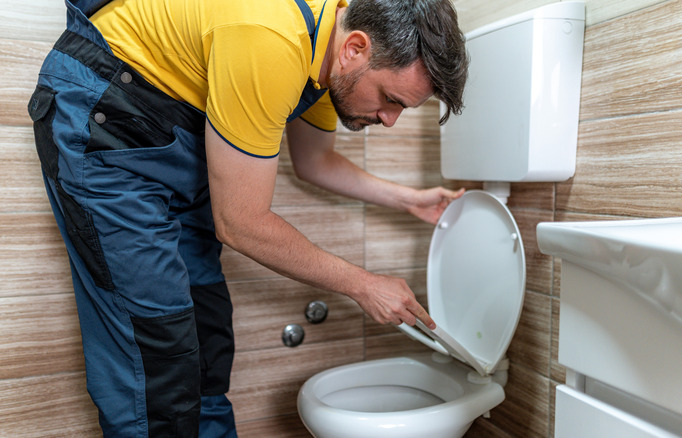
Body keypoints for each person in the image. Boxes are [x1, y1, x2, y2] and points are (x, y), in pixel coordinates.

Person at [27, 0, 468, 435]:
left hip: (172, 148)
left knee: (205, 341)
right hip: (109, 127)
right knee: (155, 356)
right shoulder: (272, 35)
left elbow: (315, 162)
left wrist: (410, 200)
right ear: (355, 47)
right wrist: (363, 284)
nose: (390, 120)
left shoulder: (327, 51)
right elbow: (240, 223)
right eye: (391, 100)